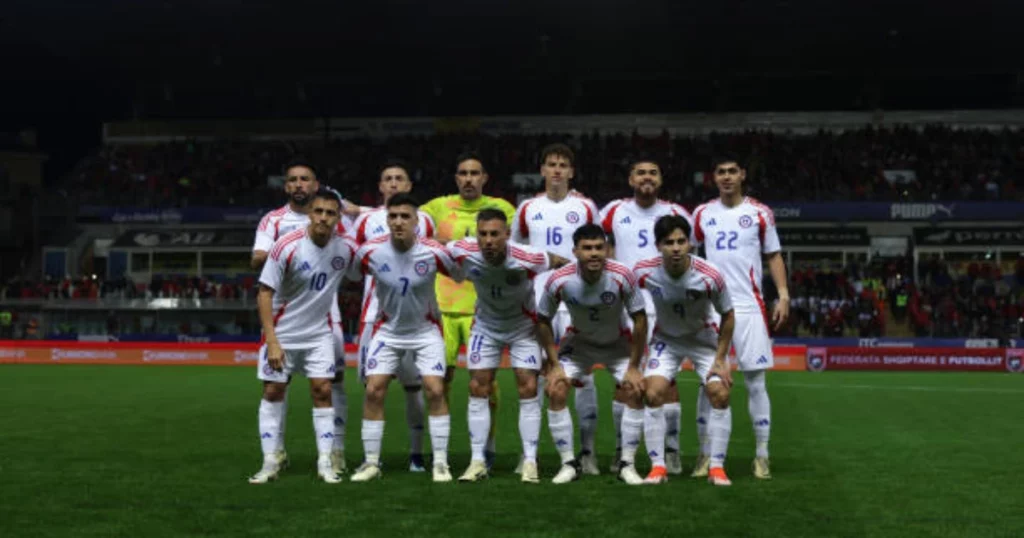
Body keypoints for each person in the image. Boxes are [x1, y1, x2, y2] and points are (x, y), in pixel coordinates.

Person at [251, 160, 358, 476]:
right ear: (310, 213)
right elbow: (264, 292)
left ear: (339, 218)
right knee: (273, 391)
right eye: (319, 212)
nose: (324, 218)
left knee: (323, 390)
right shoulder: (286, 245)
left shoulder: (345, 249)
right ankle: (271, 460)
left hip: (320, 333)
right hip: (283, 333)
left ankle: (325, 461)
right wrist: (271, 341)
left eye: (331, 213)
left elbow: (369, 266)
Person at [447, 209, 568, 483]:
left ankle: (529, 461)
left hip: (522, 329)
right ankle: (477, 461)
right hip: (485, 327)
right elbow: (436, 253)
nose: (488, 240)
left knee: (527, 387)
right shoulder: (463, 251)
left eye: (494, 234)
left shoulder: (529, 257)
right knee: (478, 386)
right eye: (483, 234)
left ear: (507, 235)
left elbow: (563, 263)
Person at [691, 154, 790, 480]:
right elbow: (686, 255)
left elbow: (773, 255)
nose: (727, 177)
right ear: (714, 177)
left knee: (756, 383)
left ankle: (762, 455)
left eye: (733, 171)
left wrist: (784, 294)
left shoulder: (760, 213)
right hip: (710, 309)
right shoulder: (702, 214)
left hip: (749, 308)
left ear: (742, 175)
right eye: (721, 172)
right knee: (708, 383)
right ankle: (705, 455)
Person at [349, 193, 459, 483]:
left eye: (405, 217)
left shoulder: (433, 251)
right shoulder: (370, 251)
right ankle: (371, 463)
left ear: (417, 222)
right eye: (393, 216)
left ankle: (441, 463)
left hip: (426, 331)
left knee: (435, 390)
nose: (398, 222)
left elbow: (460, 274)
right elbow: (350, 274)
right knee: (373, 391)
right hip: (388, 330)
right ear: (387, 220)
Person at [512, 143, 605, 475]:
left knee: (583, 377)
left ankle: (589, 453)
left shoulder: (585, 207)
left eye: (562, 165)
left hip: (577, 302)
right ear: (542, 170)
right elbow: (517, 253)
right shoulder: (527, 208)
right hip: (537, 302)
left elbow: (600, 254)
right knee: (535, 378)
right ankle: (530, 457)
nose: (556, 170)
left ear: (571, 171)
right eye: (551, 164)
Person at [420, 153, 516, 467]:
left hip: (481, 309)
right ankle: (441, 450)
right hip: (442, 309)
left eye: (475, 173)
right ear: (456, 178)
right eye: (463, 173)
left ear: (485, 177)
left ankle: (487, 447)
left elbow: (522, 241)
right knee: (439, 381)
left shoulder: (502, 209)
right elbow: (401, 219)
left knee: (485, 381)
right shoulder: (437, 208)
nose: (469, 179)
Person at [600, 156, 693, 475]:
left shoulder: (677, 213)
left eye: (653, 173)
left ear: (661, 180)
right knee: (624, 380)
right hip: (625, 308)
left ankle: (672, 450)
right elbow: (602, 251)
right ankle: (621, 450)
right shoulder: (613, 211)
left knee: (668, 381)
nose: (646, 178)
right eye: (640, 173)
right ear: (630, 179)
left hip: (666, 307)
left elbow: (690, 256)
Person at [536, 224, 648, 485]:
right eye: (587, 248)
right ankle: (569, 464)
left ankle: (626, 465)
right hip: (579, 344)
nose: (594, 253)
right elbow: (542, 320)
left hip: (617, 344)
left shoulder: (623, 275)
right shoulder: (560, 279)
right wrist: (553, 363)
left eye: (599, 247)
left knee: (635, 388)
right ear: (575, 251)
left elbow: (640, 320)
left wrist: (633, 365)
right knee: (555, 388)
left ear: (608, 250)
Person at [633, 215, 736, 486]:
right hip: (666, 341)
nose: (676, 248)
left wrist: (721, 359)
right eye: (669, 243)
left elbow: (728, 315)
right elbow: (628, 303)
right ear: (658, 246)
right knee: (652, 393)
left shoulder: (710, 275)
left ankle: (716, 467)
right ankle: (658, 468)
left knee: (720, 393)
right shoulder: (643, 272)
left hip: (704, 341)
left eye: (681, 241)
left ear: (689, 243)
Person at [350, 160, 437, 472]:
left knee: (415, 387)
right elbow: (353, 261)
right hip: (375, 315)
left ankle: (417, 455)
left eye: (400, 178)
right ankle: (371, 457)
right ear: (380, 186)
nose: (394, 183)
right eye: (388, 179)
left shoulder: (425, 220)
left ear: (409, 186)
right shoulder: (366, 221)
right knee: (374, 387)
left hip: (416, 314)